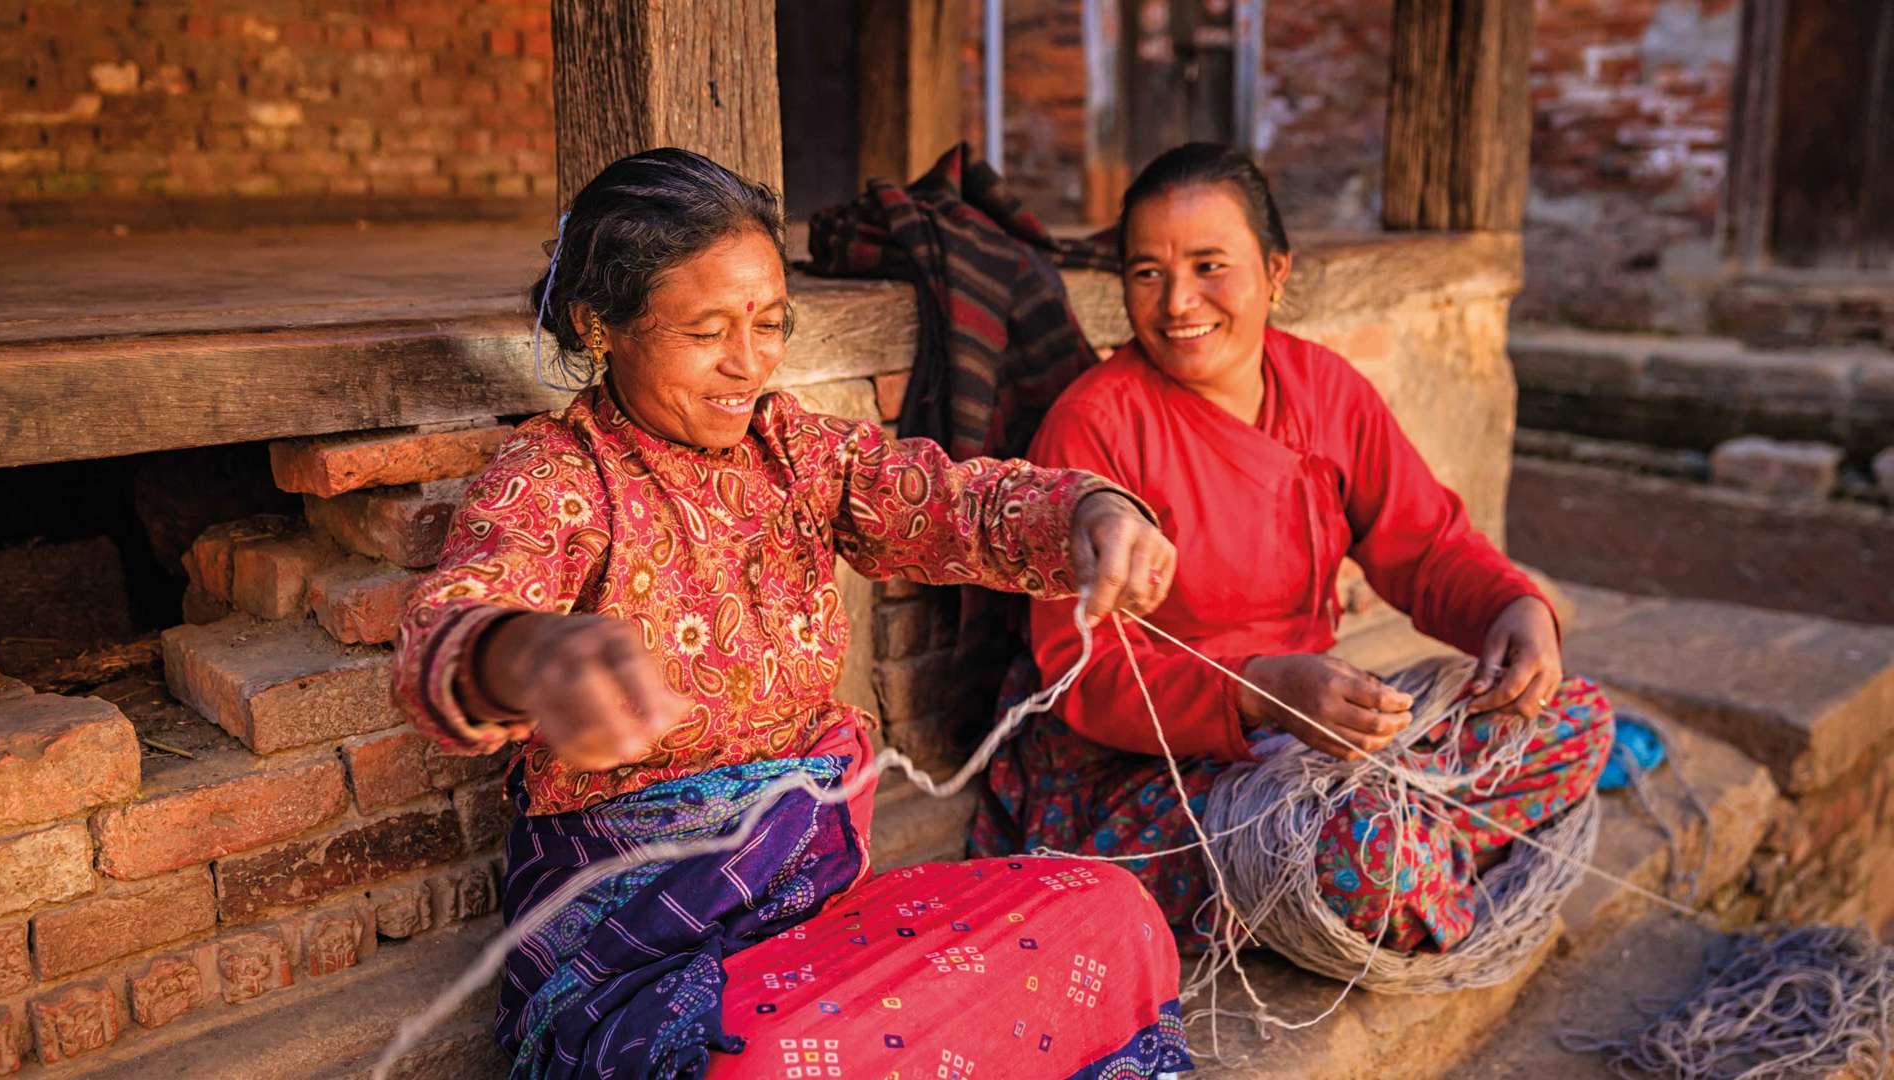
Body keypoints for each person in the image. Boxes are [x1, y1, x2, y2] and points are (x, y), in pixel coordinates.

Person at [391, 148, 1193, 1079]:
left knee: (1108, 912)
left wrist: (1091, 512)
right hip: (641, 970)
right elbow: (448, 627)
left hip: (817, 929)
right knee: (774, 1060)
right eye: (705, 333)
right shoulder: (554, 481)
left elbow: (950, 503)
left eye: (770, 323)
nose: (748, 363)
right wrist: (529, 655)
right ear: (597, 325)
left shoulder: (795, 451)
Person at [970, 143, 1616, 955]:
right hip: (1151, 768)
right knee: (1363, 852)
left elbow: (1424, 545)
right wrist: (1258, 692)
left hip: (1314, 736)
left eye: (1210, 265)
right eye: (1146, 273)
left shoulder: (1327, 390)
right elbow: (1084, 673)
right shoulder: (1095, 424)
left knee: (1575, 716)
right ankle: (1409, 866)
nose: (1177, 302)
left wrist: (1512, 607)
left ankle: (1405, 862)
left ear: (1276, 272)